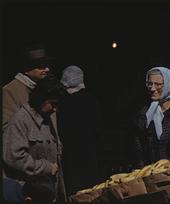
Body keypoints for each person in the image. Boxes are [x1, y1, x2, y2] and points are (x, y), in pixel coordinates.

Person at [3, 78, 67, 202]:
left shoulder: (48, 118)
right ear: (40, 99)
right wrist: (46, 167)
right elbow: (13, 156)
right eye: (52, 104)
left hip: (46, 192)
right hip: (27, 193)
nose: (55, 109)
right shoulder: (21, 120)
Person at [133, 67, 170, 167]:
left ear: (168, 84)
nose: (152, 88)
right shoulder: (145, 113)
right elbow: (140, 147)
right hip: (155, 173)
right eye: (150, 84)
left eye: (158, 84)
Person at [58, 65, 102, 196]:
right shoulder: (92, 100)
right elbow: (99, 128)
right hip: (90, 154)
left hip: (70, 156)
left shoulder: (63, 102)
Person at [2, 43, 54, 130]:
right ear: (27, 69)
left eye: (47, 65)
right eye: (41, 66)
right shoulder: (9, 91)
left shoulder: (46, 87)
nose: (47, 69)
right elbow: (8, 127)